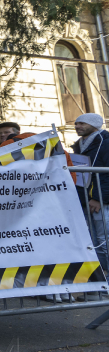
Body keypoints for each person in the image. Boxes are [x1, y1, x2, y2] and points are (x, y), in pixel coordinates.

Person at [73, 113, 109, 276]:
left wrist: (99, 198)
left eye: (82, 123)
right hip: (85, 200)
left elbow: (106, 174)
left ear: (94, 124)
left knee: (104, 240)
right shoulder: (79, 145)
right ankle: (103, 277)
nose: (77, 126)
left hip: (101, 201)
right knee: (93, 242)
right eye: (76, 124)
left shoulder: (105, 142)